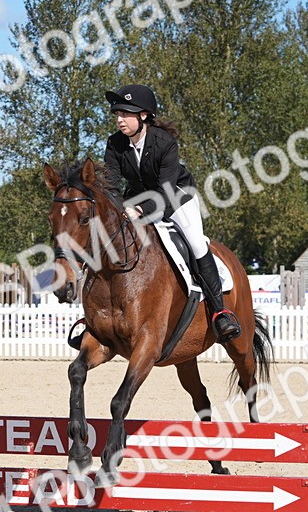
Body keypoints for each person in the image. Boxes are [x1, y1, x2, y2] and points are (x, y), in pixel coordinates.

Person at [101, 83, 241, 342]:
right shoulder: (115, 143)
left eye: (125, 114)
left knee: (197, 244)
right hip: (138, 198)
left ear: (143, 116)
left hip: (176, 197)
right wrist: (117, 209)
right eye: (117, 114)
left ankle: (220, 311)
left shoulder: (165, 143)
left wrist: (141, 210)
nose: (119, 120)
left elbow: (165, 192)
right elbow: (111, 185)